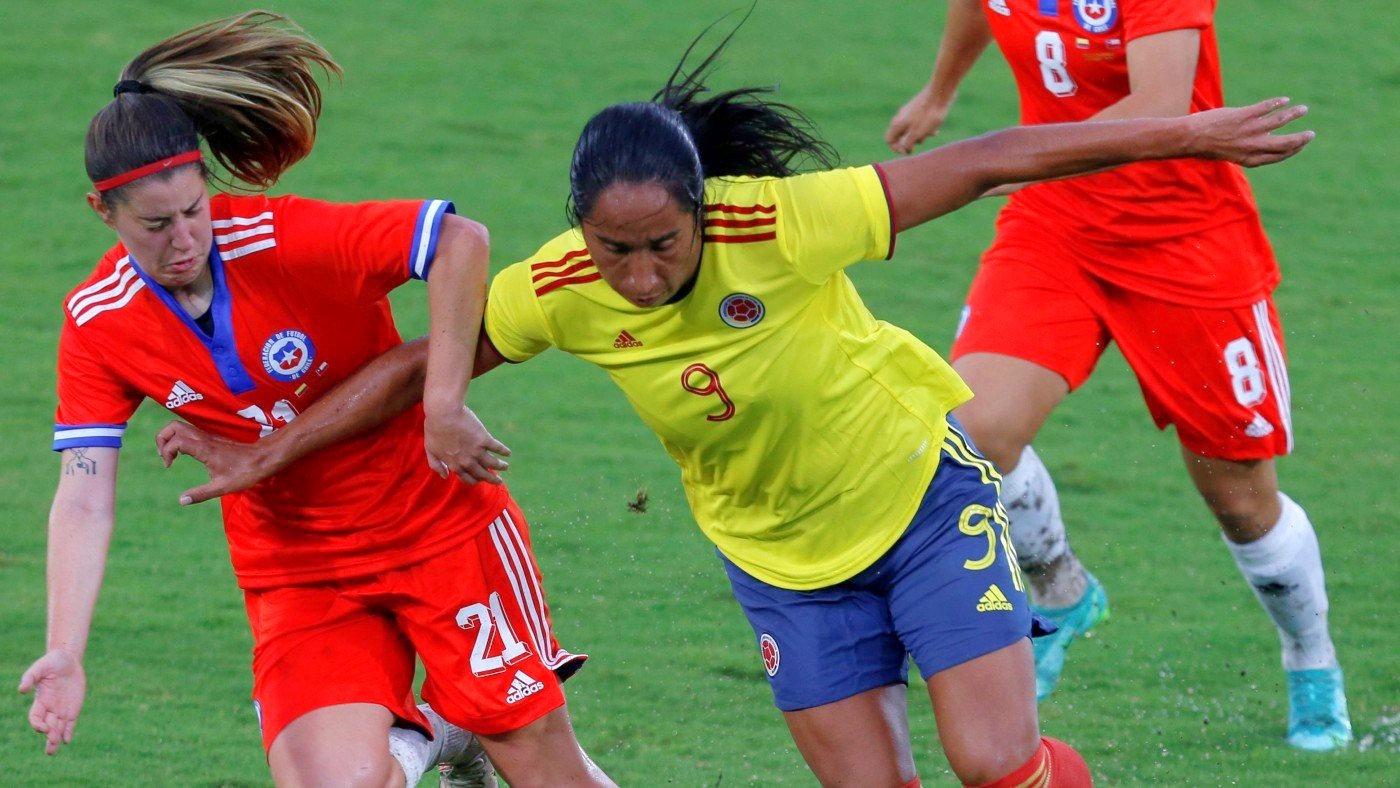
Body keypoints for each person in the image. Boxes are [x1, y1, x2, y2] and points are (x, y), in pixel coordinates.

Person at [154, 25, 1312, 786]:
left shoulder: (780, 221)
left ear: (700, 208)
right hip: (778, 563)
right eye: (612, 248)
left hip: (918, 498)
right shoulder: (559, 286)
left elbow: (988, 158)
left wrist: (1182, 132)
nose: (637, 274)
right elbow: (413, 364)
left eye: (661, 244)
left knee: (993, 763)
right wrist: (273, 449)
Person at [17, 12, 615, 788]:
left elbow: (458, 241)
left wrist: (442, 404)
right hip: (299, 569)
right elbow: (83, 494)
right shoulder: (99, 322)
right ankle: (441, 730)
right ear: (104, 212)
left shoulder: (281, 238)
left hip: (439, 526)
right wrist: (65, 649)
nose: (185, 240)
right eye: (156, 225)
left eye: (195, 210)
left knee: (545, 773)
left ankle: (460, 723)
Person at [884, 0, 1350, 752]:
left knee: (1240, 500)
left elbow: (1160, 105)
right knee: (970, 433)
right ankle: (1061, 593)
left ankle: (1311, 656)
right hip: (1055, 227)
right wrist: (940, 91)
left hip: (1188, 241)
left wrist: (1009, 155)